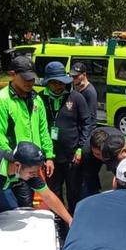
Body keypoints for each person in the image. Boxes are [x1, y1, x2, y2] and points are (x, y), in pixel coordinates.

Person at [0, 55, 55, 207]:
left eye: (32, 79)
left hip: (34, 163)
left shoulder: (36, 99)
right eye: (26, 79)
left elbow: (43, 130)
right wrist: (15, 162)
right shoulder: (0, 101)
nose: (30, 82)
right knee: (23, 206)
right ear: (12, 75)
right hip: (16, 165)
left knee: (40, 201)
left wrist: (49, 155)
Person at [39, 62, 94, 212]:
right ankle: (59, 221)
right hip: (50, 158)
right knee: (54, 192)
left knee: (74, 192)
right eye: (55, 83)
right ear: (48, 83)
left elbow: (86, 123)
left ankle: (74, 220)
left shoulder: (75, 97)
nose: (59, 86)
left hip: (72, 157)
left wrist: (80, 148)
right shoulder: (39, 100)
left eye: (62, 82)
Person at [70, 62, 103, 200]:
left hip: (87, 138)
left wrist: (82, 145)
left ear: (84, 75)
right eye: (72, 76)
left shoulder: (89, 92)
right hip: (82, 134)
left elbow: (89, 120)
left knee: (88, 175)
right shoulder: (78, 89)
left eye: (76, 76)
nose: (74, 79)